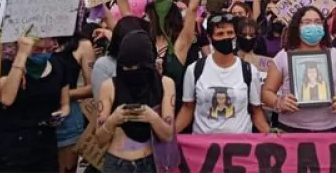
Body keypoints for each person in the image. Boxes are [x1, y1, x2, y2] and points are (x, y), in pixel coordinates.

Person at [262, 7, 336, 133]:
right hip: (291, 129)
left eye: (318, 22)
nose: (313, 26)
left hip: (331, 129)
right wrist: (279, 102)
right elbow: (266, 92)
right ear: (297, 26)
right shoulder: (283, 57)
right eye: (307, 22)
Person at [96, 31, 175, 173]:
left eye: (135, 67)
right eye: (125, 67)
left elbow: (167, 135)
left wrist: (153, 118)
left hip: (151, 161)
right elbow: (100, 139)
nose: (129, 71)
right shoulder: (109, 86)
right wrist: (113, 120)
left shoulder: (164, 84)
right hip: (118, 162)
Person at [177, 14, 269, 134]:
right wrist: (169, 135)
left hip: (240, 147)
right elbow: (187, 108)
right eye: (220, 34)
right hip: (203, 147)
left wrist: (273, 136)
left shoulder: (249, 71)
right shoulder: (194, 69)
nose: (226, 37)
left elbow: (256, 111)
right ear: (210, 38)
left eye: (230, 33)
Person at [0, 36, 70, 172]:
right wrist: (21, 55)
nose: (44, 53)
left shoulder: (59, 65)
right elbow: (6, 99)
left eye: (48, 49)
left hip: (45, 147)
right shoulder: (6, 66)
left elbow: (65, 104)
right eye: (38, 50)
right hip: (12, 149)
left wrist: (62, 114)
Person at [53, 33, 95, 173]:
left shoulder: (82, 45)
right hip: (33, 119)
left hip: (68, 121)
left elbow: (91, 87)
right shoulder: (28, 43)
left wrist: (63, 95)